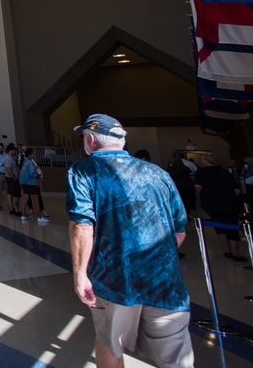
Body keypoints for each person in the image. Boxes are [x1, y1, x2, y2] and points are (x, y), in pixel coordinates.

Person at [68, 114, 192, 368]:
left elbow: (82, 225)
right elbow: (179, 230)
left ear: (90, 139)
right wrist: (153, 261)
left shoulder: (85, 170)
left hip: (115, 280)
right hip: (166, 284)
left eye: (83, 136)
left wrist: (81, 274)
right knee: (177, 359)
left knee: (109, 343)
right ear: (122, 141)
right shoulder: (157, 172)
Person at [194, 152, 246, 262]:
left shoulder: (201, 173)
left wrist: (199, 196)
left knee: (219, 226)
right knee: (232, 226)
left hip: (211, 203)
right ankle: (236, 253)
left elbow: (198, 187)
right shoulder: (226, 173)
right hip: (228, 202)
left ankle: (228, 250)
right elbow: (237, 191)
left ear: (205, 160)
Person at [19, 148, 47, 224]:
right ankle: (39, 217)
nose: (34, 155)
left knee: (25, 199)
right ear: (30, 154)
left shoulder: (24, 162)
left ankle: (23, 215)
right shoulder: (31, 163)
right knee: (36, 199)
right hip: (31, 183)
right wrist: (38, 176)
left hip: (24, 183)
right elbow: (32, 173)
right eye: (33, 153)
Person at [3, 144, 21, 216]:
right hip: (11, 179)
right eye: (14, 150)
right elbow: (9, 170)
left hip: (9, 178)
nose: (15, 151)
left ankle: (11, 208)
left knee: (10, 193)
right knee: (15, 194)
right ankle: (16, 209)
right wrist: (14, 178)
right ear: (10, 151)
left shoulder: (11, 158)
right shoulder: (8, 159)